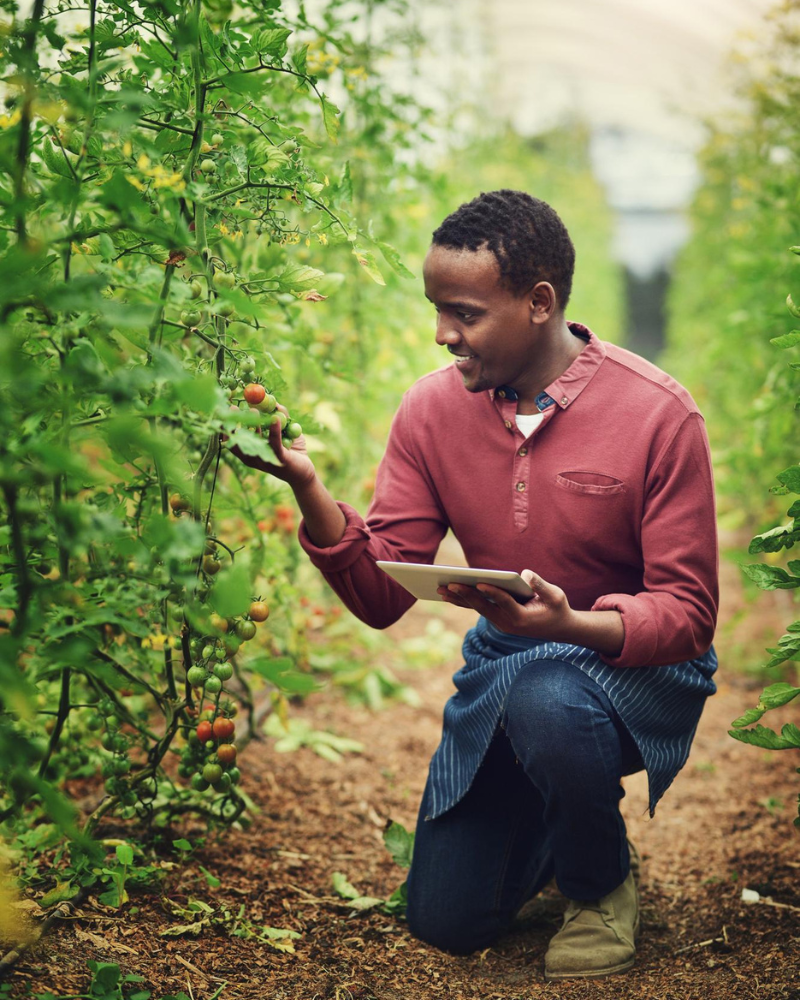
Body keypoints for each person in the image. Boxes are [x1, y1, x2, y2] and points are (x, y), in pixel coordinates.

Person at [231, 189, 719, 981]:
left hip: (634, 675)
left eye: (463, 313)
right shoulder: (431, 411)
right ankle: (566, 817)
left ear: (539, 303)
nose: (442, 333)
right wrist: (308, 488)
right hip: (507, 674)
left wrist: (570, 626)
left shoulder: (659, 414)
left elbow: (688, 615)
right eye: (437, 309)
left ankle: (598, 883)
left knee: (547, 698)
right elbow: (382, 594)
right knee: (448, 919)